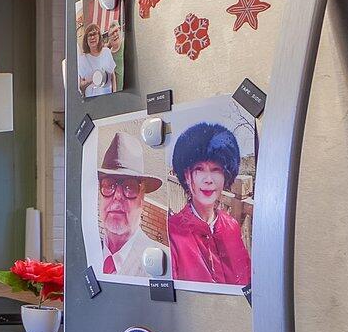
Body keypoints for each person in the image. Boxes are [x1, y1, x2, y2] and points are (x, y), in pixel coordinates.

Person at [166, 121, 251, 286]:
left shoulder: (232, 226)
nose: (208, 180)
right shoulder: (173, 232)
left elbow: (247, 280)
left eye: (216, 170)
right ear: (187, 175)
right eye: (199, 169)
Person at [93, 129, 162, 278]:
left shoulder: (162, 262)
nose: (117, 196)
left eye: (129, 187)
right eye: (108, 185)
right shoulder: (86, 254)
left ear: (142, 199)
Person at [78, 21, 117, 97]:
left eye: (95, 34)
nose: (92, 37)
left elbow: (113, 76)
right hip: (91, 101)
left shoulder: (107, 52)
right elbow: (81, 87)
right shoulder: (82, 60)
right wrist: (93, 80)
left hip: (108, 98)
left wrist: (115, 94)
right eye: (89, 35)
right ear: (86, 39)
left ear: (99, 37)